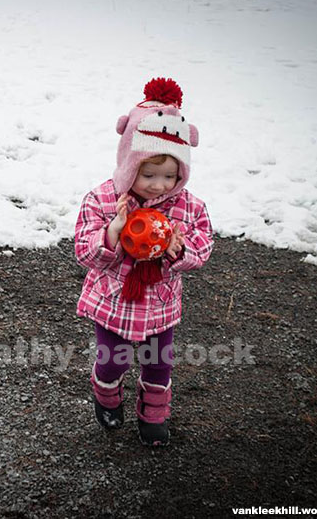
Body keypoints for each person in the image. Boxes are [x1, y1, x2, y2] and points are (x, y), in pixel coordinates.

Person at [74, 78, 214, 446]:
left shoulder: (188, 206)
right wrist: (114, 232)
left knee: (158, 362)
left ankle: (154, 416)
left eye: (171, 176)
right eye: (148, 174)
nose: (158, 186)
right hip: (113, 303)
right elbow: (84, 252)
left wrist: (179, 251)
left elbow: (204, 245)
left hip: (159, 307)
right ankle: (106, 394)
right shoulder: (103, 200)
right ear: (128, 163)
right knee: (113, 361)